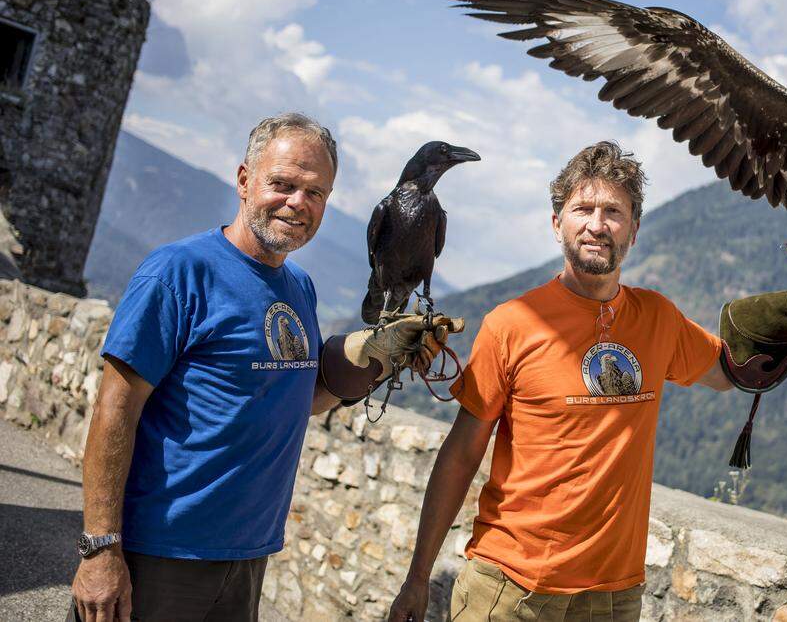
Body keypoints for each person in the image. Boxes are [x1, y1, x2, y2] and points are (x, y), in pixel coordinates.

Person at [70, 113, 456, 622]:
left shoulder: (300, 289)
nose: (299, 203)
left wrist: (379, 361)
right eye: (283, 184)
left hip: (248, 558)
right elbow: (113, 411)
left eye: (316, 192)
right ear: (245, 179)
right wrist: (100, 549)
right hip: (160, 552)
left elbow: (297, 401)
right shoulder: (177, 273)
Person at [388, 141, 733, 622]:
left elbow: (731, 373)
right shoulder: (512, 323)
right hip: (510, 589)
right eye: (583, 208)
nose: (597, 224)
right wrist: (419, 577)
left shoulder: (659, 318)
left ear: (634, 230)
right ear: (557, 224)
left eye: (614, 211)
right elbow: (462, 452)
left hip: (614, 598)